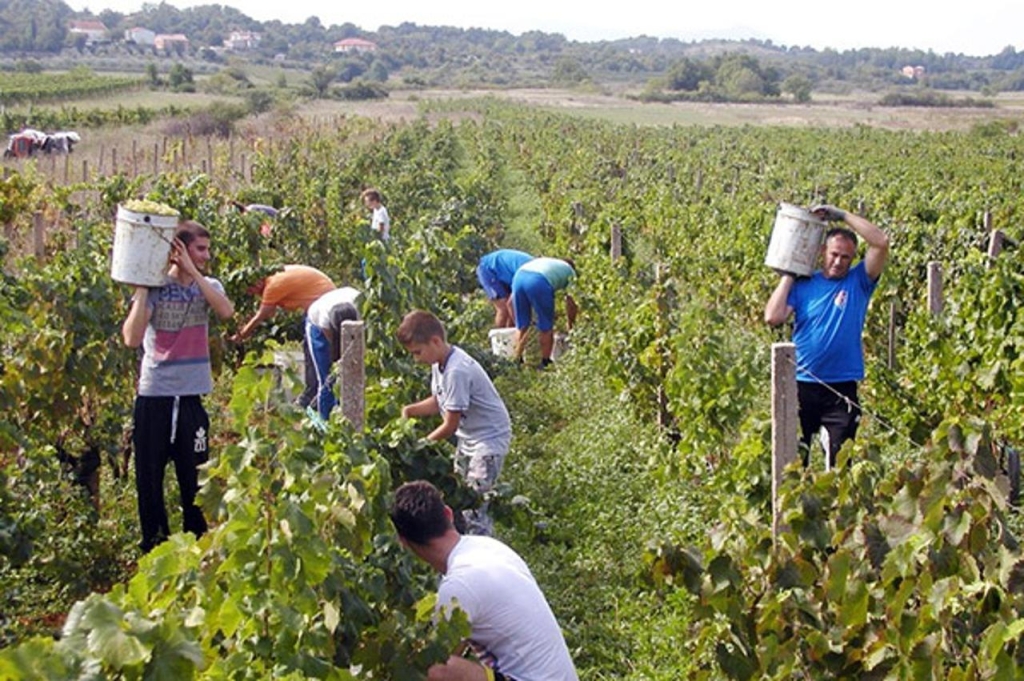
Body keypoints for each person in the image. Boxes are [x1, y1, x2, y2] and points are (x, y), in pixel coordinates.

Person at [389, 480, 579, 681]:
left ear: (402, 541)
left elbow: (439, 658)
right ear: (448, 513)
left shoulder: (458, 587)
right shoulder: (487, 546)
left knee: (435, 668)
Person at [121, 220, 235, 552]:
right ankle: (155, 548)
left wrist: (194, 273)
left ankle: (196, 547)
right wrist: (142, 287)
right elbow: (131, 338)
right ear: (179, 249)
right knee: (149, 481)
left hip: (189, 399)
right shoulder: (156, 289)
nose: (206, 255)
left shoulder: (208, 285)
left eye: (207, 248)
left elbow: (226, 311)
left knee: (195, 479)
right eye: (200, 249)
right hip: (154, 395)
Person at [764, 204, 890, 468]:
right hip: (801, 384)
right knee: (796, 462)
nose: (838, 261)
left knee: (840, 465)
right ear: (822, 253)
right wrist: (789, 273)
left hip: (841, 388)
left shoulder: (859, 282)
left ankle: (836, 510)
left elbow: (880, 242)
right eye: (834, 254)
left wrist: (841, 215)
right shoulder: (804, 284)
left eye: (846, 257)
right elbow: (773, 317)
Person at [398, 310, 511, 536]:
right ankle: (463, 543)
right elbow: (441, 400)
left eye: (418, 352)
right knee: (459, 497)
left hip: (487, 441)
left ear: (435, 341)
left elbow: (450, 424)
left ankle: (481, 555)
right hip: (469, 438)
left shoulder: (456, 370)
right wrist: (409, 411)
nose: (416, 359)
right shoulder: (440, 363)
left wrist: (419, 445)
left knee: (475, 506)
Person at [231, 264, 336, 408]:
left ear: (258, 282)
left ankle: (313, 396)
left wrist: (241, 335)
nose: (250, 293)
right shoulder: (273, 279)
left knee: (313, 350)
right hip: (321, 301)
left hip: (323, 304)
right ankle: (317, 393)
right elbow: (270, 312)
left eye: (250, 289)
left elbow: (261, 316)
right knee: (314, 349)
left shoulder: (273, 285)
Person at [305, 285, 361, 420]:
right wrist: (340, 361)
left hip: (349, 314)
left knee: (354, 373)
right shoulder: (324, 319)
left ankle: (349, 416)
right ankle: (326, 420)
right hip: (317, 328)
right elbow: (334, 345)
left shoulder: (360, 305)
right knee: (327, 377)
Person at [510, 257, 577, 368]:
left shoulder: (550, 262)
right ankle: (545, 362)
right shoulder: (571, 272)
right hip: (538, 281)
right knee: (546, 325)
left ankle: (517, 360)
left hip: (519, 277)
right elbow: (571, 304)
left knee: (522, 324)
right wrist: (571, 325)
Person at [476, 249, 534, 328]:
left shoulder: (536, 276)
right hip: (489, 269)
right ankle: (499, 338)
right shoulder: (530, 275)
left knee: (515, 307)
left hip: (508, 273)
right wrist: (522, 328)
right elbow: (510, 304)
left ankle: (511, 337)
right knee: (503, 309)